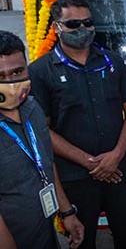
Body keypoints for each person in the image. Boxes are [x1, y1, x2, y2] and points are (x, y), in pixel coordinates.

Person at [29, 0, 126, 249]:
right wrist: (90, 162)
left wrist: (116, 155)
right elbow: (41, 129)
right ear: (57, 28)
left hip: (117, 172)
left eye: (88, 22)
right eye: (73, 24)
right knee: (82, 241)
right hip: (75, 177)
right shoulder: (40, 71)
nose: (82, 29)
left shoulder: (112, 61)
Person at [0, 31, 84, 249]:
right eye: (1, 76)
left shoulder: (32, 108)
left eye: (17, 71)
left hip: (45, 235)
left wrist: (67, 212)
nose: (10, 82)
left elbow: (46, 164)